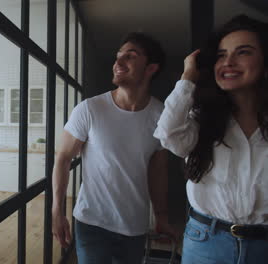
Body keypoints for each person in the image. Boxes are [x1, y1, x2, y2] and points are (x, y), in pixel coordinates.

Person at [52, 32, 176, 264]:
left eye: (130, 56)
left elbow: (158, 171)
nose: (118, 63)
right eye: (118, 56)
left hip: (135, 226)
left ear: (151, 68)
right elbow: (63, 158)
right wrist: (57, 211)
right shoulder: (89, 109)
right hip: (92, 223)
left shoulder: (162, 116)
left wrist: (161, 216)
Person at [154, 14, 268, 263]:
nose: (228, 62)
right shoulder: (202, 119)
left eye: (243, 52)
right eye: (220, 55)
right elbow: (168, 135)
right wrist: (187, 77)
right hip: (206, 242)